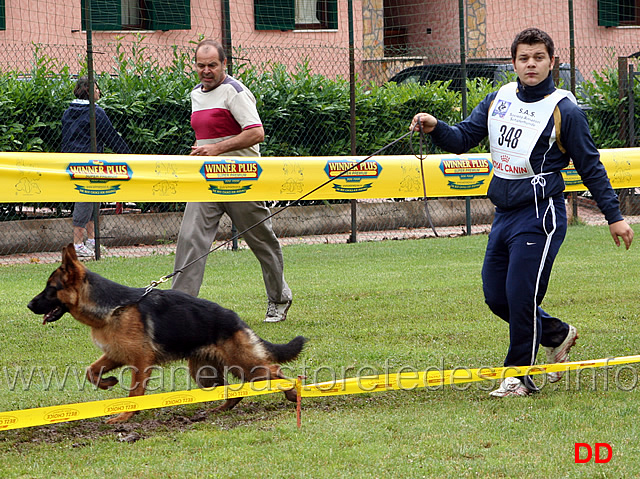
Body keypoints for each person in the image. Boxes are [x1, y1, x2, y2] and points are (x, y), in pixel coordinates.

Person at [410, 28, 634, 397]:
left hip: (541, 215)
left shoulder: (565, 109)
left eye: (538, 57)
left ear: (551, 61)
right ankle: (557, 333)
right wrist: (435, 126)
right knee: (497, 297)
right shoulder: (499, 98)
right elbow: (463, 138)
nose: (531, 64)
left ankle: (519, 377)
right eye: (524, 58)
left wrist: (614, 216)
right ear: (513, 62)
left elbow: (590, 166)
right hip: (504, 214)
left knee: (520, 296)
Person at [171, 39, 293, 323]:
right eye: (201, 65)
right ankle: (178, 308)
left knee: (262, 241)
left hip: (242, 180)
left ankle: (279, 298)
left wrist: (216, 148)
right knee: (190, 238)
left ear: (224, 64)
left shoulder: (236, 92)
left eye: (212, 65)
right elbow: (207, 135)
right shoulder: (195, 95)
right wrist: (203, 150)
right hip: (207, 181)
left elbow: (256, 133)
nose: (206, 70)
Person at [61, 76, 131, 257]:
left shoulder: (68, 112)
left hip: (72, 163)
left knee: (93, 198)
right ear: (90, 92)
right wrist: (129, 156)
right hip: (90, 164)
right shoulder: (95, 112)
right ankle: (77, 245)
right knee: (85, 199)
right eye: (97, 89)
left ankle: (92, 242)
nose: (99, 92)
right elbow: (111, 137)